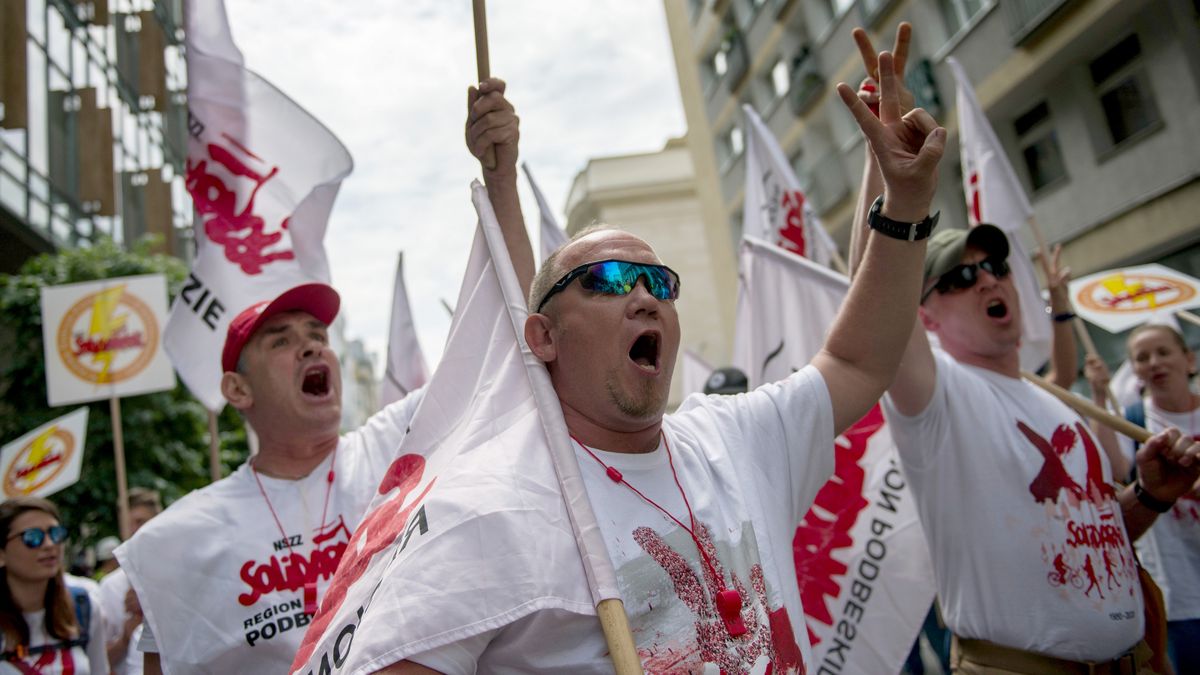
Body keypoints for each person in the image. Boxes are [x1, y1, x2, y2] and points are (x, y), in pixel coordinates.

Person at [377, 35, 946, 673]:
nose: (645, 297)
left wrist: (905, 205)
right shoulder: (490, 511)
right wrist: (501, 181)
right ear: (542, 337)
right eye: (608, 280)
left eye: (659, 283)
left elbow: (858, 362)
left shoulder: (734, 441)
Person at [114, 77, 534, 675]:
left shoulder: (398, 449)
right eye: (282, 341)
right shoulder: (179, 543)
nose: (312, 346)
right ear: (237, 389)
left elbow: (503, 335)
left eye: (317, 335)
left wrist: (501, 182)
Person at [847, 24, 1200, 674]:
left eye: (995, 266)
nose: (987, 279)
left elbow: (1090, 535)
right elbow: (871, 307)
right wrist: (887, 168)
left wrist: (1150, 495)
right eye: (958, 278)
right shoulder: (938, 396)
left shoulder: (1059, 406)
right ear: (923, 315)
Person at [1086, 323, 1200, 673]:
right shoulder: (1133, 421)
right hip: (1179, 595)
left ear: (1189, 359)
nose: (1154, 363)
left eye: (1163, 352)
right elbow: (1114, 472)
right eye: (1142, 357)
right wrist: (1099, 396)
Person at [0, 498, 108, 675]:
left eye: (56, 533)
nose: (50, 544)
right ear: (1, 553)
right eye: (32, 537)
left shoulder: (84, 608)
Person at [99, 489, 162, 675]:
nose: (133, 530)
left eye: (140, 521)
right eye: (127, 524)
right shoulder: (110, 586)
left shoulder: (178, 578)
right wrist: (125, 639)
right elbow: (97, 662)